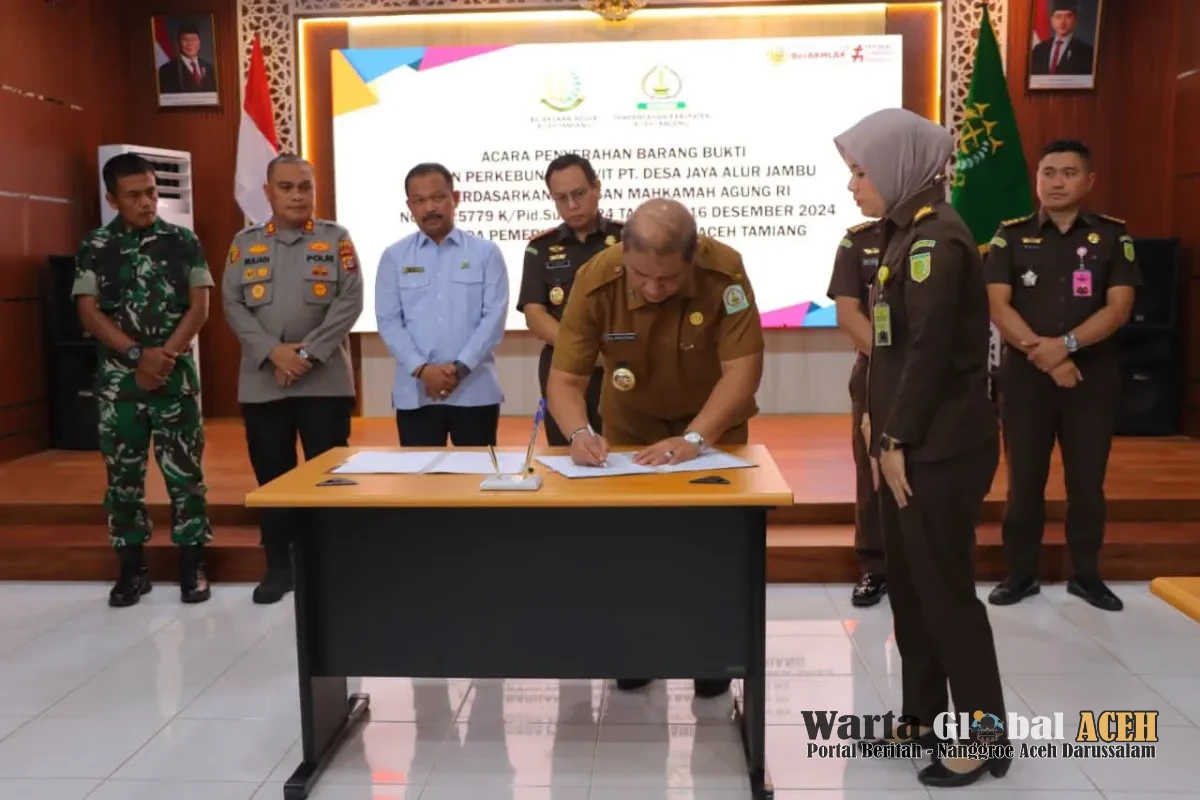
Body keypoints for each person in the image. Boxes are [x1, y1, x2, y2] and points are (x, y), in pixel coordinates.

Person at [836, 108, 1007, 787]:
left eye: (861, 171)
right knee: (909, 590)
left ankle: (985, 735)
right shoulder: (904, 232)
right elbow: (890, 346)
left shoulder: (937, 239)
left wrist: (895, 436)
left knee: (944, 595)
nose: (853, 185)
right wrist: (877, 428)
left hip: (936, 447)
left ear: (898, 167)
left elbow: (929, 354)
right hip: (905, 442)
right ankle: (924, 713)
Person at [546, 197, 765, 699]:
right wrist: (578, 433)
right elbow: (565, 379)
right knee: (632, 546)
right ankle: (635, 651)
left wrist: (695, 438)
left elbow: (743, 370)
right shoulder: (597, 279)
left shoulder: (723, 271)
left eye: (667, 278)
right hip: (632, 429)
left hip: (711, 428)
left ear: (692, 256)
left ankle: (712, 655)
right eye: (640, 275)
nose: (651, 288)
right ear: (624, 255)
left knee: (712, 546)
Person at [984, 139, 1139, 613]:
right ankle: (1020, 574)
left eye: (1068, 173)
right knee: (1024, 481)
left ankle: (1086, 576)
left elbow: (1119, 308)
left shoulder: (1113, 236)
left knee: (1087, 483)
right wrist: (1049, 357)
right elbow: (997, 305)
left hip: (1091, 379)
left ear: (1089, 181)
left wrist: (1066, 346)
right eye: (1047, 172)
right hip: (1027, 379)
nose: (1055, 182)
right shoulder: (1009, 236)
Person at [72, 153, 213, 607]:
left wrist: (164, 358)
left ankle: (193, 565)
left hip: (174, 381)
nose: (146, 202)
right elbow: (89, 313)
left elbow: (200, 308)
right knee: (123, 480)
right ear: (112, 199)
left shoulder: (183, 241)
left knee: (186, 477)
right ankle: (132, 569)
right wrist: (138, 356)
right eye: (133, 195)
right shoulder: (96, 246)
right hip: (121, 386)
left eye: (151, 192)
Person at [222, 154, 363, 605]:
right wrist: (274, 352)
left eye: (305, 186)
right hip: (264, 381)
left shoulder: (336, 239)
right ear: (268, 192)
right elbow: (232, 305)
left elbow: (350, 302)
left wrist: (307, 354)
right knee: (273, 478)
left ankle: (330, 566)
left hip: (324, 380)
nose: (298, 195)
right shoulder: (245, 244)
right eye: (286, 187)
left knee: (328, 478)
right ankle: (278, 567)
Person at [376, 163, 509, 446]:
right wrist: (424, 371)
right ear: (409, 206)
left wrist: (459, 369)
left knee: (476, 473)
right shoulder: (394, 257)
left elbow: (494, 319)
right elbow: (389, 321)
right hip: (416, 393)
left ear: (455, 198)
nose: (430, 208)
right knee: (420, 474)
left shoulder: (486, 253)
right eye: (419, 200)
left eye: (438, 198)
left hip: (475, 392)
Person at [517, 153, 622, 445]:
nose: (572, 205)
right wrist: (582, 351)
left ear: (596, 188)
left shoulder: (627, 239)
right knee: (569, 451)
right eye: (561, 198)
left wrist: (606, 354)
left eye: (579, 194)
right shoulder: (540, 248)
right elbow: (535, 314)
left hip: (620, 364)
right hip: (563, 367)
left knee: (628, 452)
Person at [827, 219, 888, 607]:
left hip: (932, 370)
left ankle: (922, 565)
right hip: (875, 368)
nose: (855, 189)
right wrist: (893, 364)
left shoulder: (938, 235)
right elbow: (849, 314)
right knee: (871, 468)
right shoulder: (858, 241)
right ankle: (874, 566)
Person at [1030, 0, 1095, 76]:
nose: (1062, 22)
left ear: (1075, 20)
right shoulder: (1039, 49)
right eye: (1058, 17)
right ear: (1051, 20)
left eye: (1068, 16)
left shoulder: (1086, 51)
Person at [157, 22, 218, 94]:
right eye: (185, 39)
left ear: (199, 42)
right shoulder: (167, 70)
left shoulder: (210, 68)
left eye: (194, 39)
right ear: (178, 42)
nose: (190, 43)